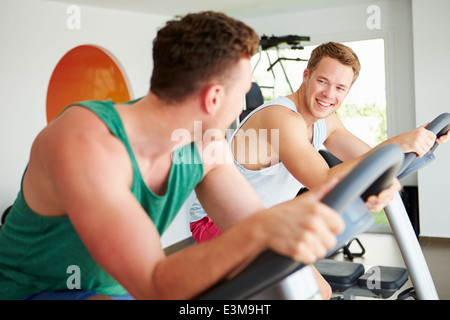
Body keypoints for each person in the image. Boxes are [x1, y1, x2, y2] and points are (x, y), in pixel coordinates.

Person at [0, 11, 352, 300]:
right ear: (213, 99)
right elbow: (156, 284)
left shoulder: (206, 145)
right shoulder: (87, 145)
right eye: (243, 92)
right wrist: (264, 230)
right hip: (33, 291)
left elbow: (250, 225)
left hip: (117, 288)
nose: (244, 105)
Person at [189, 41, 450, 299]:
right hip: (219, 221)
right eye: (322, 82)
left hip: (266, 219)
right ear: (306, 76)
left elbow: (369, 158)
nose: (328, 94)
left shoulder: (326, 121)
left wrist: (419, 143)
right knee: (304, 294)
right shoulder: (281, 118)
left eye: (339, 88)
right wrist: (397, 143)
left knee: (320, 292)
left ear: (347, 92)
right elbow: (323, 180)